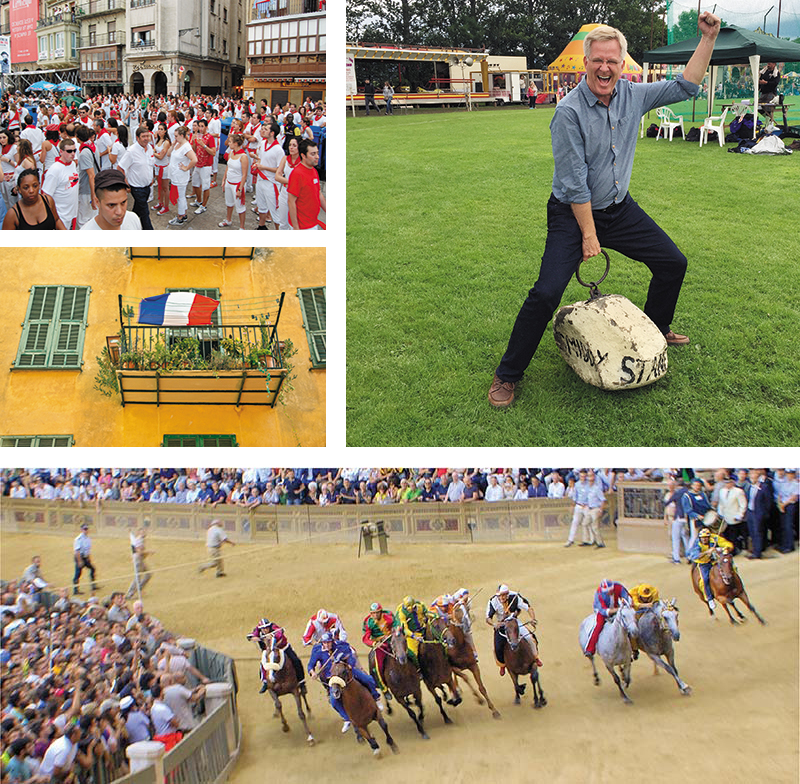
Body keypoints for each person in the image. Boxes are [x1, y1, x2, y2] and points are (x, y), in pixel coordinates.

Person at [487, 15, 722, 407]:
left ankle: (658, 328)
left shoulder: (634, 95)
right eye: (598, 60)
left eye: (613, 61)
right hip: (571, 213)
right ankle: (507, 374)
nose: (605, 68)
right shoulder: (568, 111)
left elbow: (686, 85)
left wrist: (709, 38)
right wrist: (589, 235)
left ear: (622, 63)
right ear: (586, 63)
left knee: (672, 263)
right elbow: (575, 183)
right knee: (546, 293)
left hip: (619, 208)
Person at [308, 632, 384, 733]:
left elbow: (350, 657)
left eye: (329, 642)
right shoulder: (317, 650)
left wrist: (349, 664)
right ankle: (347, 718)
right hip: (334, 678)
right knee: (333, 701)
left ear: (332, 641)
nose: (327, 645)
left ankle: (376, 698)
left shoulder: (341, 646)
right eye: (324, 643)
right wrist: (312, 672)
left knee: (368, 679)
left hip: (347, 672)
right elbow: (310, 665)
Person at [486, 584, 541, 674]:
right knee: (497, 647)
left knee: (530, 638)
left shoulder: (515, 596)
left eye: (503, 595)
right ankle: (502, 664)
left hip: (514, 622)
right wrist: (494, 624)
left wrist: (533, 619)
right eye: (499, 595)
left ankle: (535, 657)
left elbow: (528, 608)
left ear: (507, 594)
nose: (501, 597)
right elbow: (488, 618)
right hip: (501, 624)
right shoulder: (493, 601)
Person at [247, 617, 306, 694]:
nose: (265, 630)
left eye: (267, 628)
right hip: (268, 651)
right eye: (263, 628)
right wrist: (260, 639)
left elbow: (280, 634)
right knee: (263, 664)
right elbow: (252, 636)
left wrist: (273, 636)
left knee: (296, 660)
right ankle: (265, 682)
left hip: (283, 648)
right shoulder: (258, 630)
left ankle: (301, 682)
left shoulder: (274, 627)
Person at [117, 125, 154, 230]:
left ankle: (128, 224)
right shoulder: (131, 151)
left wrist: (152, 177)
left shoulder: (150, 148)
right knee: (145, 213)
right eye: (143, 136)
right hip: (137, 188)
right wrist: (125, 183)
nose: (146, 138)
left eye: (147, 136)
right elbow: (120, 168)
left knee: (138, 210)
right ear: (137, 138)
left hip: (147, 187)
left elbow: (150, 164)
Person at [687, 527, 732, 610]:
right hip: (703, 563)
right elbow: (694, 555)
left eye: (706, 538)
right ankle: (710, 598)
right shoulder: (697, 544)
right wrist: (706, 552)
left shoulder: (714, 538)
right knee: (705, 579)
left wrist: (722, 549)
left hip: (714, 561)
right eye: (703, 538)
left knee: (728, 568)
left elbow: (727, 544)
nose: (704, 540)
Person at [583, 579, 630, 657]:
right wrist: (617, 610)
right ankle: (590, 649)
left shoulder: (618, 587)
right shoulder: (599, 594)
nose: (609, 593)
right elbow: (603, 610)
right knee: (598, 626)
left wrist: (625, 604)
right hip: (603, 612)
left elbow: (626, 597)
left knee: (628, 622)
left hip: (617, 608)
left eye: (611, 591)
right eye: (607, 592)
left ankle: (633, 648)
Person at [287, 138, 325, 230]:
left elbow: (318, 193)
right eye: (313, 154)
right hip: (302, 226)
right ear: (303, 156)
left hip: (312, 222)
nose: (317, 156)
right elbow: (291, 201)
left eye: (317, 153)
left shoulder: (314, 170)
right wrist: (296, 228)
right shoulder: (297, 173)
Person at [361, 602, 398, 694]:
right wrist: (374, 643)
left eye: (377, 612)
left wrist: (396, 630)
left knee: (407, 652)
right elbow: (366, 638)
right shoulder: (369, 623)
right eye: (373, 613)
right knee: (379, 665)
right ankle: (383, 688)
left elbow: (396, 623)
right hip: (380, 645)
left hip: (392, 640)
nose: (375, 615)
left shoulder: (388, 616)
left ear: (381, 612)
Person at [253, 122, 283, 230]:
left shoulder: (278, 150)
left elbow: (280, 170)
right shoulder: (262, 143)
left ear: (272, 133)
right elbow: (262, 159)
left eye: (266, 129)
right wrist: (257, 163)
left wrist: (264, 167)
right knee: (261, 206)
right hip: (260, 179)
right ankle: (261, 227)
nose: (263, 130)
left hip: (271, 182)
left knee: (275, 210)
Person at [217, 133, 248, 229]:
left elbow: (244, 175)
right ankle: (228, 219)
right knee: (229, 203)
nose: (228, 143)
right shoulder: (231, 153)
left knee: (240, 207)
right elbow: (228, 167)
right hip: (229, 182)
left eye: (230, 142)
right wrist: (224, 179)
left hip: (237, 185)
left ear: (235, 144)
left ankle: (242, 226)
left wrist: (240, 189)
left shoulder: (243, 157)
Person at [167, 125, 196, 226]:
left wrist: (187, 168)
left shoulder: (186, 147)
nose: (174, 138)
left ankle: (180, 217)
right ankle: (183, 214)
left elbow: (194, 159)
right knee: (180, 196)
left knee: (180, 197)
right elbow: (168, 154)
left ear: (182, 135)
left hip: (180, 176)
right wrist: (172, 144)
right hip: (175, 175)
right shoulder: (177, 143)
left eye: (176, 136)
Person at [394, 595, 432, 667]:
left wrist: (428, 618)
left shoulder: (420, 606)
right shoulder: (402, 614)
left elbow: (427, 613)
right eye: (407, 609)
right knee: (413, 654)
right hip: (412, 634)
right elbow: (405, 629)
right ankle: (418, 668)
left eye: (412, 608)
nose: (409, 610)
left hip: (424, 628)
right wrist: (414, 637)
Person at [189, 117, 215, 215]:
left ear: (206, 127)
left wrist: (203, 145)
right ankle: (199, 201)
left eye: (202, 126)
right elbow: (195, 150)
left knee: (205, 186)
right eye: (199, 126)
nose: (200, 128)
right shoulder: (198, 136)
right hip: (198, 164)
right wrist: (194, 142)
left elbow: (213, 152)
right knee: (195, 183)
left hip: (206, 165)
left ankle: (204, 205)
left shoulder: (210, 138)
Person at [75, 123, 99, 228]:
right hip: (92, 188)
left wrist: (93, 197)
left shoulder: (84, 152)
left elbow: (91, 175)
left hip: (87, 190)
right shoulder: (93, 146)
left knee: (83, 220)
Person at [717, 474, 747, 554]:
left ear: (733, 483)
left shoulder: (738, 491)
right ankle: (730, 549)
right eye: (726, 483)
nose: (727, 484)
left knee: (735, 535)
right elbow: (721, 503)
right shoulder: (722, 491)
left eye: (729, 482)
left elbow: (743, 504)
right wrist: (720, 512)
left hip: (735, 516)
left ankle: (735, 549)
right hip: (726, 516)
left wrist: (740, 515)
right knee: (727, 535)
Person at [663, 476, 690, 564]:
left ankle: (676, 558)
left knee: (676, 538)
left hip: (678, 517)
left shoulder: (677, 493)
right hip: (687, 518)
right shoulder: (689, 492)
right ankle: (689, 556)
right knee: (686, 537)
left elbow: (667, 502)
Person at [681, 477, 712, 549]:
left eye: (699, 485)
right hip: (695, 519)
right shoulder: (687, 496)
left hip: (705, 518)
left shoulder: (703, 494)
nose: (697, 487)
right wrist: (697, 515)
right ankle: (690, 554)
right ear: (692, 486)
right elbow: (687, 510)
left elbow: (707, 505)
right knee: (694, 537)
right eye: (695, 485)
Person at [564, 469, 591, 547]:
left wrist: (588, 504)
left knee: (587, 523)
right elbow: (575, 497)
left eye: (584, 476)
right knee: (575, 522)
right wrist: (573, 505)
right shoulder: (577, 485)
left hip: (586, 506)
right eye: (581, 476)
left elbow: (590, 496)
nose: (583, 477)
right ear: (579, 476)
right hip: (578, 505)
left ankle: (589, 540)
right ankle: (570, 540)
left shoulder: (589, 484)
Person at [126, 527, 152, 599]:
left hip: (139, 560)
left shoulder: (140, 539)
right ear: (139, 533)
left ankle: (139, 588)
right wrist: (149, 552)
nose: (144, 533)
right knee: (137, 577)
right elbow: (139, 551)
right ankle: (129, 594)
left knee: (148, 574)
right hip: (138, 560)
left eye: (144, 532)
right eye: (142, 532)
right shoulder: (139, 540)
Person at [73, 522, 98, 595]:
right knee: (78, 573)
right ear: (81, 530)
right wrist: (80, 561)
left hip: (85, 557)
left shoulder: (88, 539)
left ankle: (93, 585)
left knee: (92, 569)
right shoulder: (78, 539)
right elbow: (77, 551)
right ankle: (75, 590)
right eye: (84, 529)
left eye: (87, 529)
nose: (86, 530)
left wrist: (88, 558)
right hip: (79, 557)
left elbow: (88, 550)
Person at [152, 122, 171, 215]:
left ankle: (166, 206)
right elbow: (157, 153)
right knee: (159, 187)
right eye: (158, 129)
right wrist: (155, 153)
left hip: (164, 168)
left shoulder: (166, 142)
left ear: (165, 131)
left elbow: (161, 156)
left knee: (165, 188)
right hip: (157, 167)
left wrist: (153, 153)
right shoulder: (158, 140)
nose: (159, 131)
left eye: (161, 129)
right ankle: (160, 203)